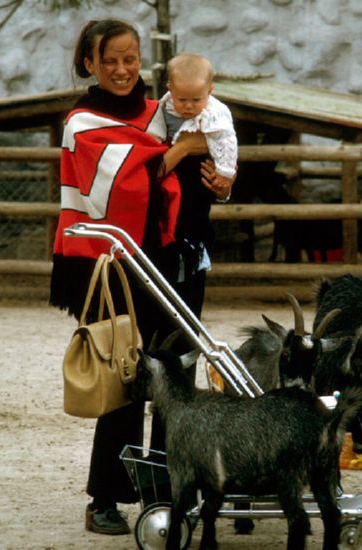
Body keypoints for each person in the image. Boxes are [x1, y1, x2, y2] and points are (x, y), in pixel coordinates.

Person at [49, 19, 218, 536]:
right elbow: (120, 188)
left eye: (130, 59)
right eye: (110, 61)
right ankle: (106, 496)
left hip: (175, 262)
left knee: (174, 378)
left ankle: (170, 490)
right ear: (90, 65)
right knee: (123, 377)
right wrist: (184, 150)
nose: (123, 70)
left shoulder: (165, 112)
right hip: (112, 264)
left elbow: (193, 179)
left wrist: (213, 176)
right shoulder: (82, 122)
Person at [158, 53, 236, 318]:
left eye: (196, 100)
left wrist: (225, 178)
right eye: (182, 100)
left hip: (196, 205)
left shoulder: (215, 115)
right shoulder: (159, 113)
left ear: (210, 93)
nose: (189, 107)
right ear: (169, 90)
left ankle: (186, 351)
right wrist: (184, 147)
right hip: (162, 209)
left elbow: (227, 145)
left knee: (191, 290)